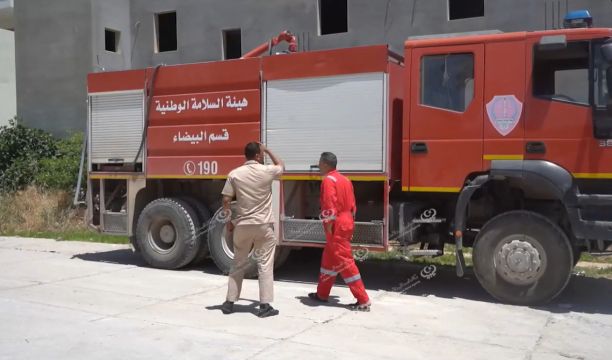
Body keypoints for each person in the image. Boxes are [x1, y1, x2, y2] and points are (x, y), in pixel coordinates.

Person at [220, 142, 284, 318]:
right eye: (261, 153)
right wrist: (269, 149)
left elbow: (226, 200)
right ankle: (264, 306)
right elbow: (281, 166)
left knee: (238, 263)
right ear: (257, 155)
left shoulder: (234, 174)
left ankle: (229, 303)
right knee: (265, 264)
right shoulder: (266, 171)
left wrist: (228, 222)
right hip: (263, 226)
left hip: (242, 225)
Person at [308, 152, 371, 311]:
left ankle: (363, 300)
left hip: (336, 224)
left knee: (345, 262)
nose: (319, 166)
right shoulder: (345, 179)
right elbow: (353, 205)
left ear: (326, 164)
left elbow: (329, 203)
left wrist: (328, 224)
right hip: (347, 220)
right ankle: (322, 294)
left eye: (320, 163)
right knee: (328, 261)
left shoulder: (328, 180)